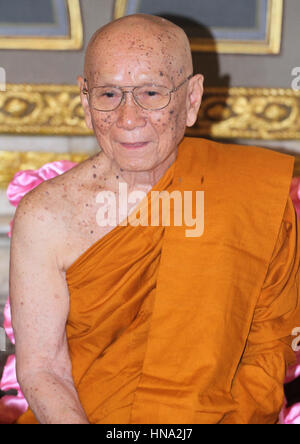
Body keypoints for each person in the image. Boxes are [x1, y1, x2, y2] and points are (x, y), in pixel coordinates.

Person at [10, 14, 300, 425]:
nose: (129, 118)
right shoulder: (46, 216)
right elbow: (43, 369)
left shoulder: (251, 194)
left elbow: (269, 347)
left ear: (192, 99)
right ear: (85, 99)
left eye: (151, 92)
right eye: (109, 95)